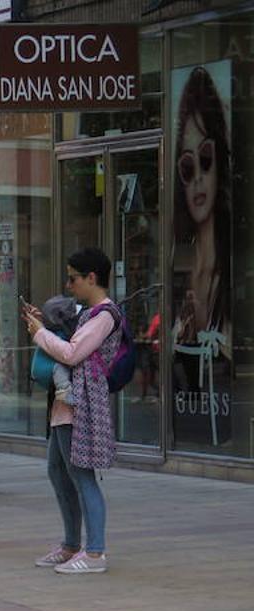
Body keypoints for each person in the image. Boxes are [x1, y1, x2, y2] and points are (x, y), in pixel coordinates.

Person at [22, 247, 122, 574]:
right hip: (68, 402)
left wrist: (40, 334)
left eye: (73, 278)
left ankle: (94, 553)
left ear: (91, 278)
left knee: (82, 477)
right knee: (58, 471)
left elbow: (72, 353)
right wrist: (43, 325)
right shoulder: (89, 312)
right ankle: (71, 545)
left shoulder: (105, 314)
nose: (69, 285)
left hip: (81, 403)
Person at [171, 65, 232, 447]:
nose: (196, 178)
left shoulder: (230, 266)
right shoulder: (181, 265)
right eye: (187, 166)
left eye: (206, 160)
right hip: (193, 417)